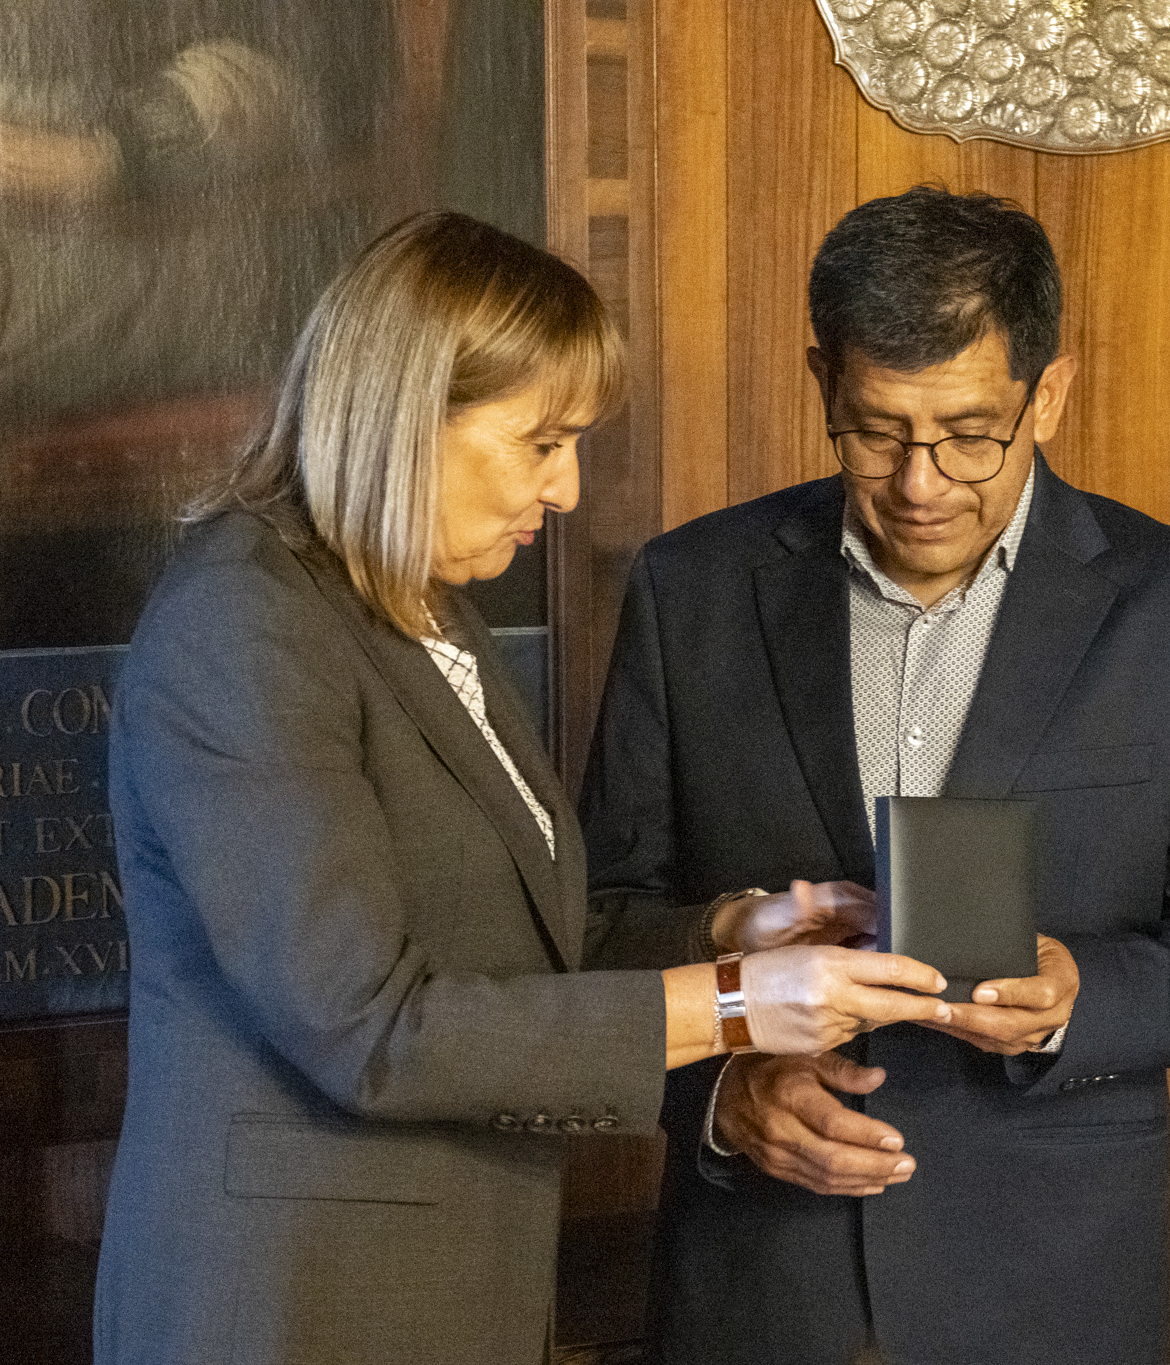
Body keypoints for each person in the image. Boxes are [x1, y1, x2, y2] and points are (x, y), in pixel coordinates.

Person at [91, 212, 955, 1365]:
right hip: (295, 1309)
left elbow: (518, 947)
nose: (566, 489)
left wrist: (731, 931)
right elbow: (370, 1027)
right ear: (405, 417)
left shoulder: (422, 606)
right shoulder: (243, 624)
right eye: (541, 442)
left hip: (450, 1290)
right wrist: (734, 1006)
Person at [580, 186, 1170, 1365]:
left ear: (1047, 395)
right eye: (876, 433)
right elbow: (599, 927)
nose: (921, 484)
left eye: (971, 435)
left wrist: (1078, 995)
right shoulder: (690, 590)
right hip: (762, 1287)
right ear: (821, 382)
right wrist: (718, 1097)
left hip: (1050, 1288)